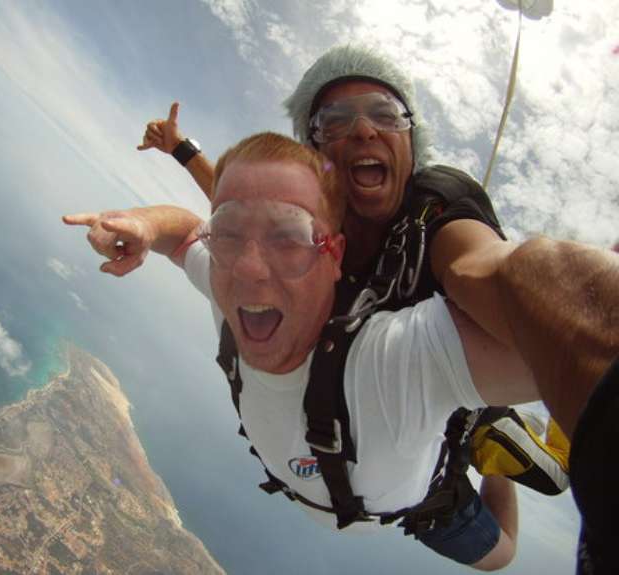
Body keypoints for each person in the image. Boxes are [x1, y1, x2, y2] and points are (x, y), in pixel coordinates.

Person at [65, 133, 541, 570]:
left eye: (288, 240)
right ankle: (482, 420)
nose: (250, 270)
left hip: (427, 504)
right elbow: (188, 231)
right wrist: (144, 223)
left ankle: (487, 434)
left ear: (332, 254)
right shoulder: (227, 289)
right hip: (371, 493)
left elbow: (562, 344)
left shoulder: (397, 355)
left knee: (501, 553)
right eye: (229, 236)